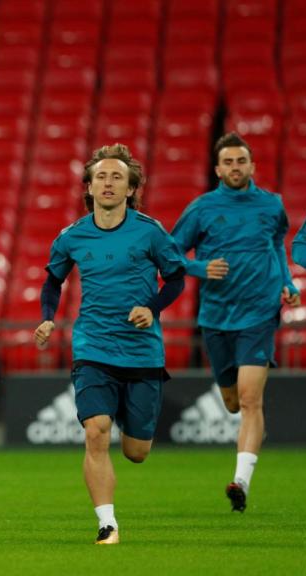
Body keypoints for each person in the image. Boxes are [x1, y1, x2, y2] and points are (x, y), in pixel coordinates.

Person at [33, 144, 187, 544]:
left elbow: (175, 279)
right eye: (101, 176)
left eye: (117, 176)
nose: (108, 182)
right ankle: (107, 524)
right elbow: (53, 280)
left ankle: (126, 419)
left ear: (132, 188)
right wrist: (48, 317)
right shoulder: (72, 236)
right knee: (97, 430)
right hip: (93, 348)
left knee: (136, 452)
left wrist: (152, 308)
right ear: (89, 185)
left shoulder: (150, 231)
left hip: (141, 351)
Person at [171, 132, 300, 513]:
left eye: (241, 161)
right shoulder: (202, 209)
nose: (235, 168)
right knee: (231, 401)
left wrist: (287, 281)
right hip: (216, 316)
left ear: (252, 166)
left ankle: (240, 480)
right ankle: (247, 440)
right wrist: (198, 267)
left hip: (259, 313)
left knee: (249, 399)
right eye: (227, 163)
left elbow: (276, 245)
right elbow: (169, 252)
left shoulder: (272, 206)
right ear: (217, 169)